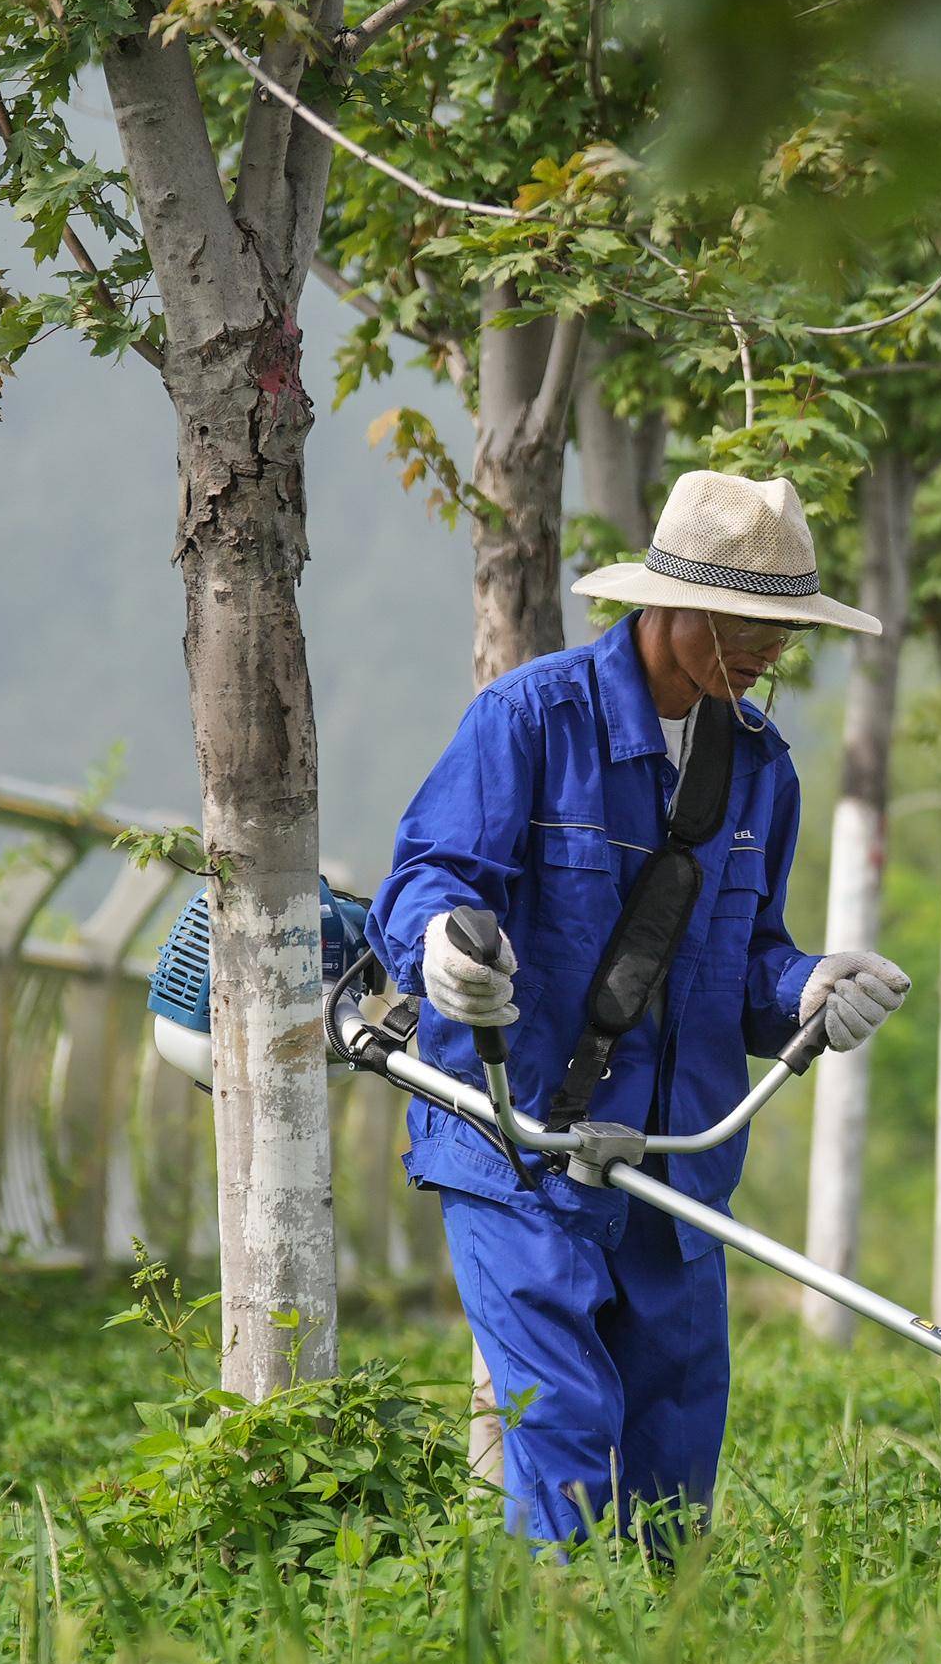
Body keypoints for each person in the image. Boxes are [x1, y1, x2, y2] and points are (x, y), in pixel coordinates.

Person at [372, 469, 911, 1549]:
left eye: (786, 629)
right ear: (668, 605)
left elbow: (744, 962)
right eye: (750, 624)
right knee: (564, 1428)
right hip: (519, 1145)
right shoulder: (531, 718)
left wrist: (807, 988)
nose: (769, 652)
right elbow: (431, 878)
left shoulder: (761, 771)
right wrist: (441, 950)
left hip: (671, 1160)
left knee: (673, 1459)